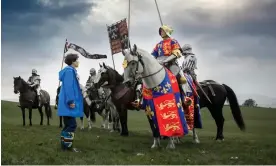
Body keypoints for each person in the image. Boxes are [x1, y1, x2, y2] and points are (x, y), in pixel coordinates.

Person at [151, 25, 189, 100]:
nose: (161, 32)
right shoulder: (158, 44)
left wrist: (166, 60)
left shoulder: (173, 41)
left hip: (171, 63)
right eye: (160, 31)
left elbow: (176, 53)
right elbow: (153, 55)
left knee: (180, 78)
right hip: (159, 63)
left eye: (162, 31)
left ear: (166, 31)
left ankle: (185, 97)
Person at [58, 53, 83, 152]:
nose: (78, 62)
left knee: (68, 125)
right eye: (77, 60)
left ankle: (64, 146)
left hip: (66, 103)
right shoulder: (69, 71)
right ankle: (67, 147)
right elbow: (69, 87)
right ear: (73, 61)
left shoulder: (70, 71)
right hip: (68, 103)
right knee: (72, 125)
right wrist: (70, 101)